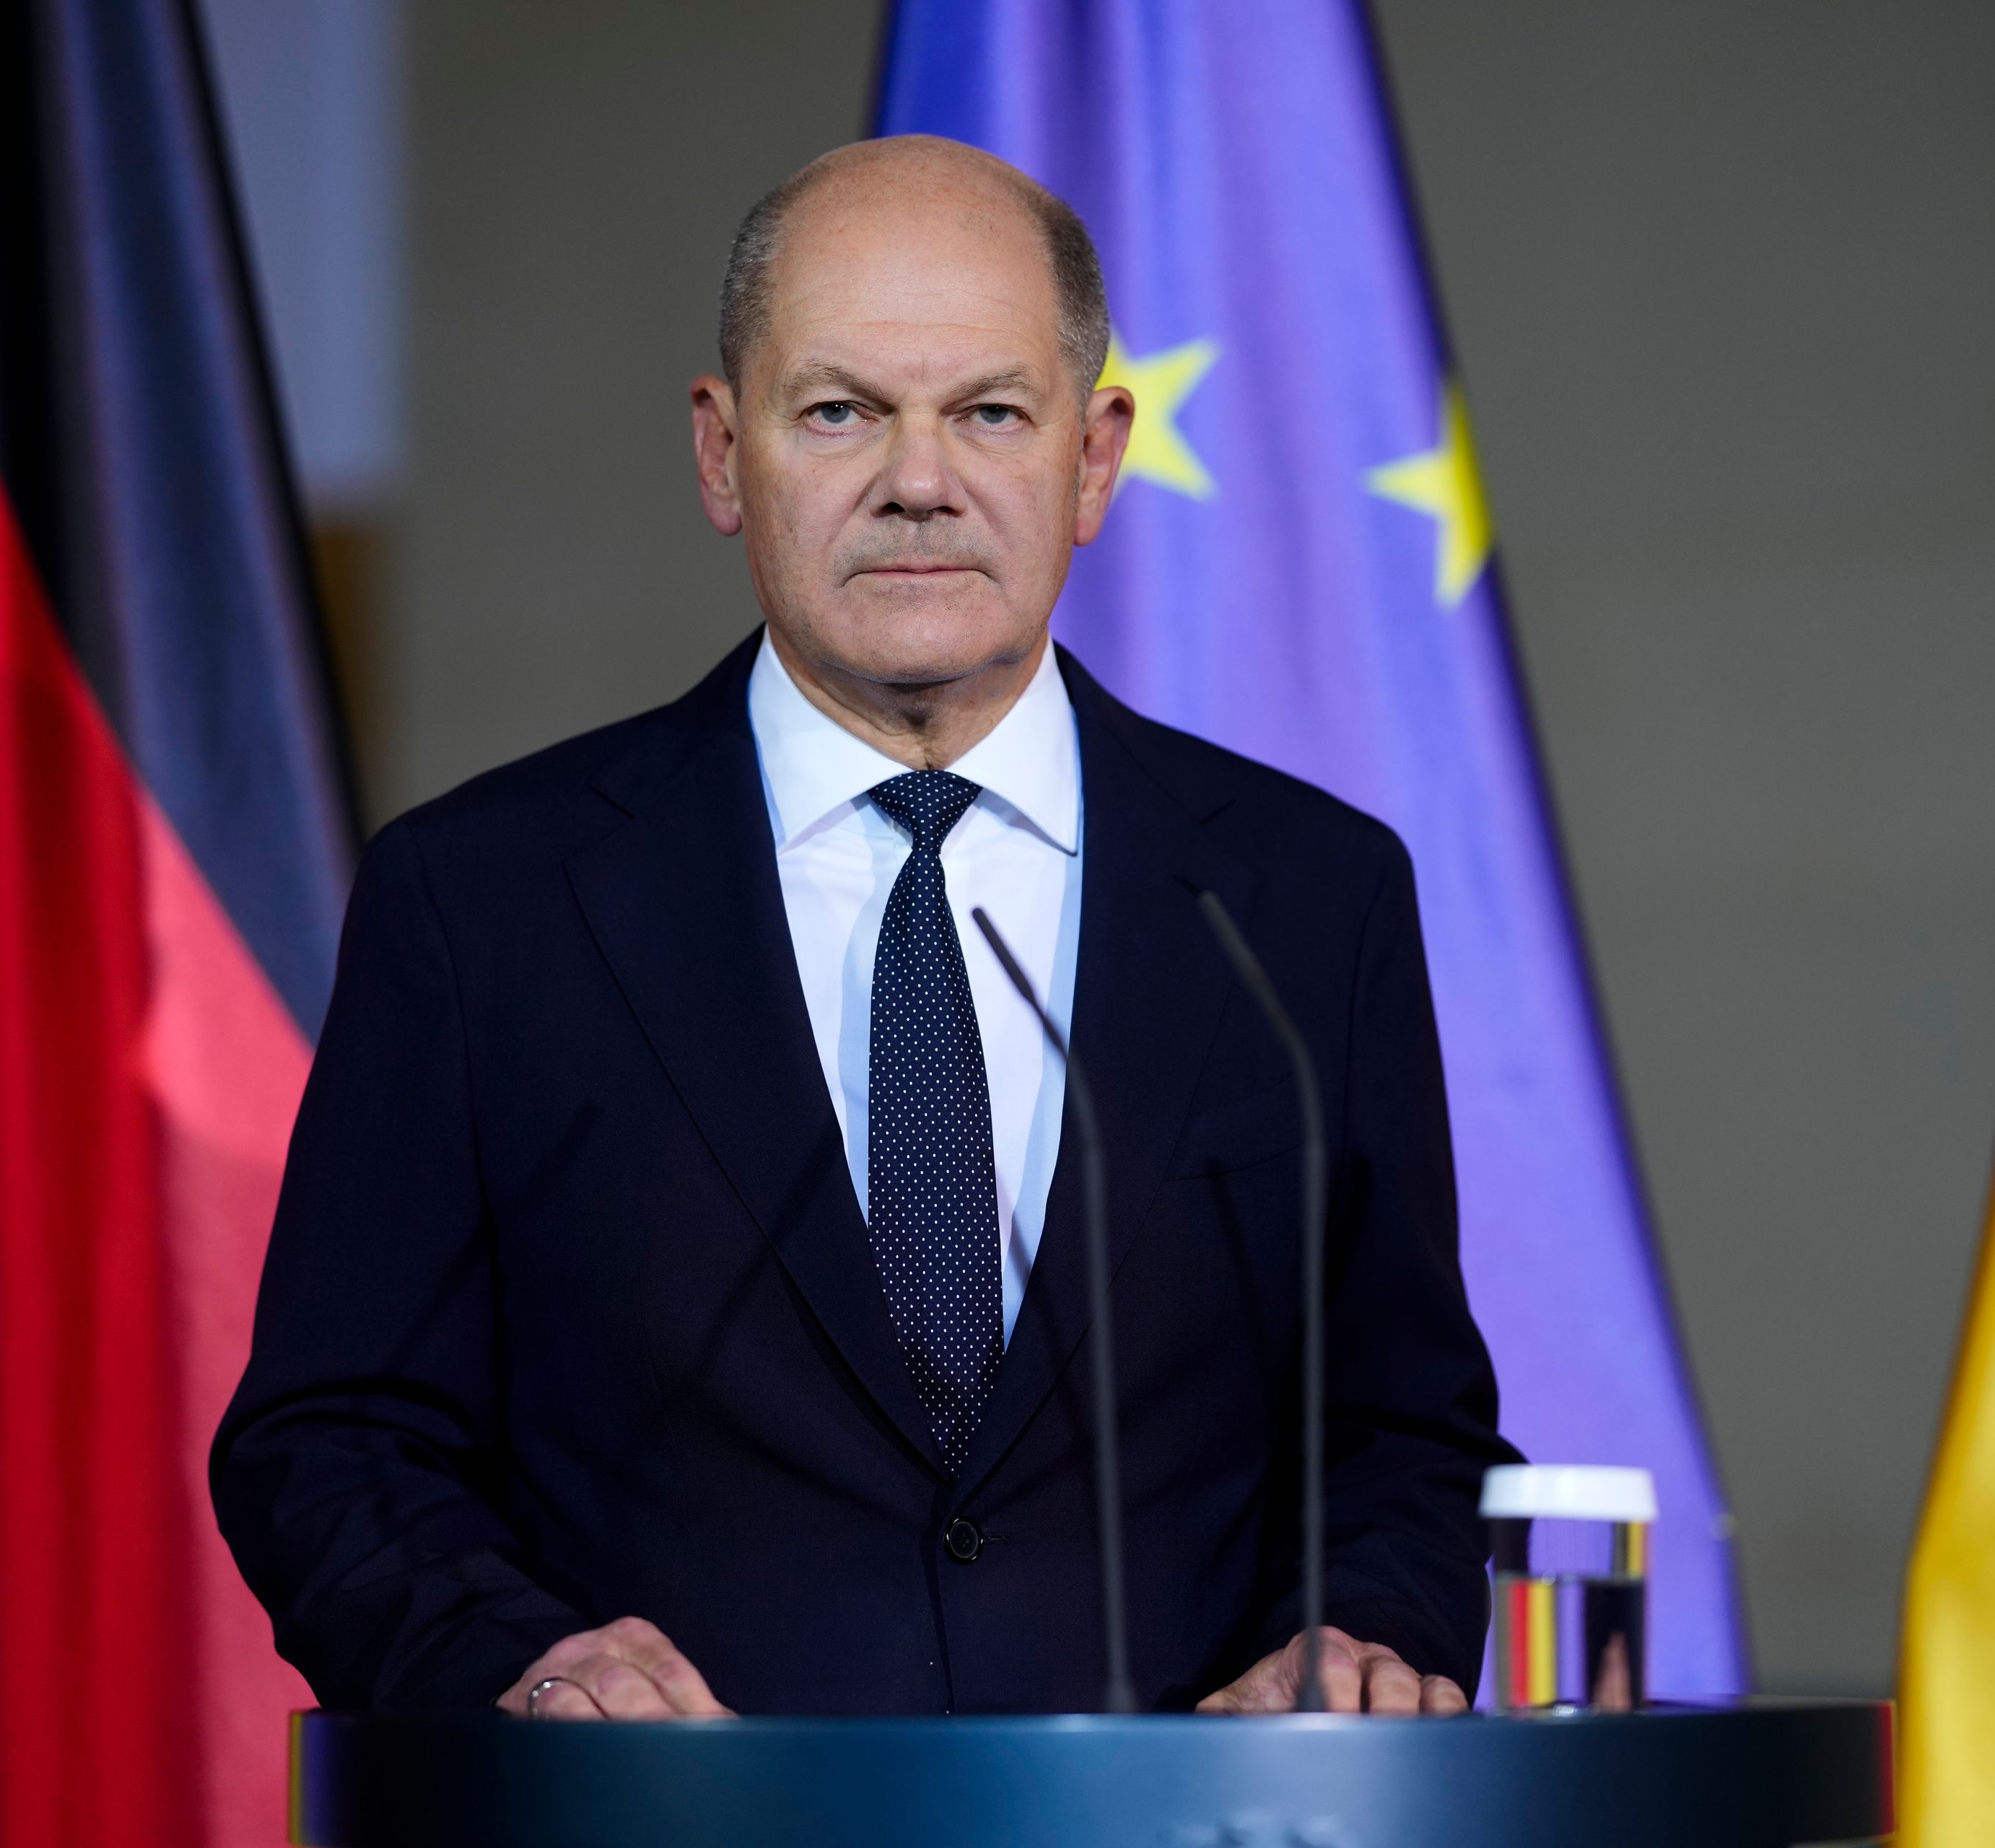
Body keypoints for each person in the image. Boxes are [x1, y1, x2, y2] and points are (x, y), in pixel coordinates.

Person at [211, 134, 1518, 1721]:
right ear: (721, 450)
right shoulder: (484, 900)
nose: (918, 479)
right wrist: (512, 1660)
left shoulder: (1306, 899)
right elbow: (335, 1433)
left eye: (990, 411)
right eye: (841, 411)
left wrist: (1356, 1636)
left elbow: (1402, 1425)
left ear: (1095, 458)